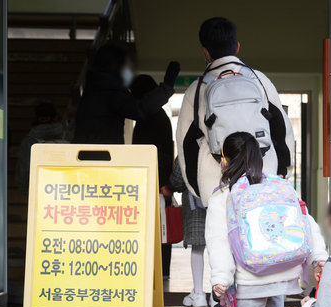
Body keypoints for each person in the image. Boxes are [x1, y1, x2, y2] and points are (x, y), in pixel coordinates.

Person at [205, 132, 327, 307]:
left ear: (225, 162)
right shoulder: (279, 186)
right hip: (283, 275)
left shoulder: (222, 197)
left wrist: (221, 278)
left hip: (252, 280)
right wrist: (318, 258)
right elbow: (306, 222)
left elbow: (219, 242)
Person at [176, 17, 294, 206]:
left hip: (216, 186)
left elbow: (186, 144)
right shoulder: (259, 80)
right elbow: (282, 128)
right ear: (237, 47)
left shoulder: (197, 90)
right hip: (262, 177)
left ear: (205, 52)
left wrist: (197, 188)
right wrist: (282, 172)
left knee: (221, 235)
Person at [74, 43, 180, 144]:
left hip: (85, 155)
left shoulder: (93, 88)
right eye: (127, 66)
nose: (129, 70)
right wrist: (166, 87)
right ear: (115, 66)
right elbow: (140, 109)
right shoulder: (111, 92)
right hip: (103, 158)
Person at [131, 74, 175, 278]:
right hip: (159, 180)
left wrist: (164, 183)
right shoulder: (158, 116)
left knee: (154, 228)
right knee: (162, 228)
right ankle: (162, 270)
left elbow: (157, 153)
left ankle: (153, 270)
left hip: (152, 180)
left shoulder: (148, 116)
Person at [165, 160, 210, 307]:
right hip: (221, 195)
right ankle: (219, 297)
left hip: (195, 199)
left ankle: (199, 293)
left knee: (198, 247)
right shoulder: (224, 140)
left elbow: (178, 177)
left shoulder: (191, 138)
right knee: (221, 246)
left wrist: (169, 187)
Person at [16, 102, 66, 193]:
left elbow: (24, 172)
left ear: (36, 118)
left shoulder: (28, 141)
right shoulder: (67, 136)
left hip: (38, 190)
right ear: (55, 117)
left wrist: (26, 190)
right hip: (65, 188)